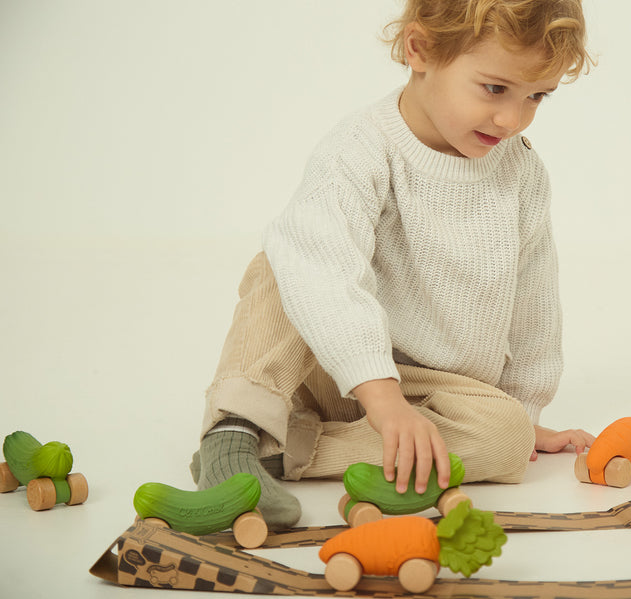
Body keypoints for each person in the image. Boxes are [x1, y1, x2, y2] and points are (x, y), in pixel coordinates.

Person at [191, 0, 596, 529]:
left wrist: (524, 413)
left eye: (536, 96)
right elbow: (321, 270)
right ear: (420, 48)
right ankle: (235, 429)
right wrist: (377, 393)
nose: (512, 118)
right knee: (287, 262)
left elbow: (536, 302)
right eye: (495, 89)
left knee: (507, 440)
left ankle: (286, 448)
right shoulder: (360, 150)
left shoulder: (520, 172)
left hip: (430, 392)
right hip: (325, 364)